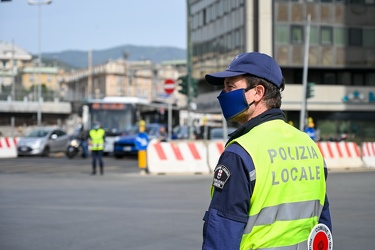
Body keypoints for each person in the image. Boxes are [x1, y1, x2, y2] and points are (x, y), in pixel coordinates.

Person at [202, 52, 332, 249]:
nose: (224, 94)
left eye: (231, 87)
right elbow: (323, 226)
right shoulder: (309, 145)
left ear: (258, 92)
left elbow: (222, 235)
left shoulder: (241, 153)